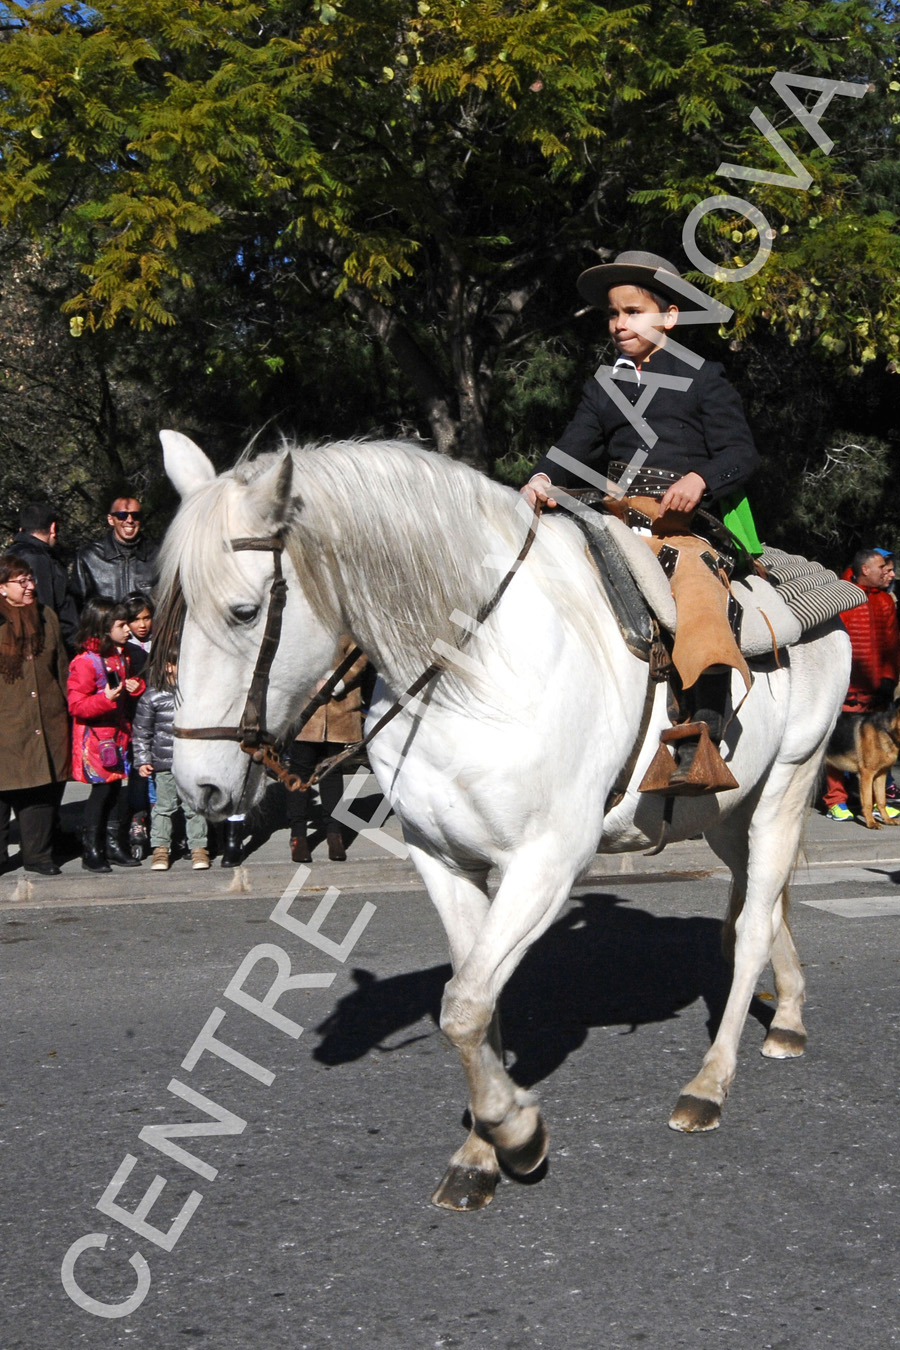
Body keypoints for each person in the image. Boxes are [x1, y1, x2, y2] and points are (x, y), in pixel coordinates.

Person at [521, 249, 760, 793]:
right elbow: (570, 448)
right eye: (613, 314)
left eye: (633, 311)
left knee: (696, 584)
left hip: (686, 529)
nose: (620, 323)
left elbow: (741, 454)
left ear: (670, 317)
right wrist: (540, 480)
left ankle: (701, 731)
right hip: (614, 516)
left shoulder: (706, 379)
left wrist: (700, 480)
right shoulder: (604, 384)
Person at [0, 553, 71, 875]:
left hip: (47, 721)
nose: (30, 586)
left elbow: (61, 668)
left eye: (31, 579)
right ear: (2, 588)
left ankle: (38, 856)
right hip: (6, 724)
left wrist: (69, 708)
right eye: (21, 581)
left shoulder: (47, 616)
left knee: (41, 790)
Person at [67, 597, 146, 870]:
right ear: (103, 627)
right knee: (101, 792)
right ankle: (92, 849)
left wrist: (135, 686)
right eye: (122, 624)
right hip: (97, 739)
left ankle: (113, 845)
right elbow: (76, 705)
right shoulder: (85, 662)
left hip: (118, 734)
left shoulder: (120, 655)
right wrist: (105, 698)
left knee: (114, 790)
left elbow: (127, 687)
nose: (128, 629)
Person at [823, 547, 900, 822]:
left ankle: (880, 801)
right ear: (865, 570)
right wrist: (836, 679)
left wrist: (890, 677)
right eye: (883, 567)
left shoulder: (887, 601)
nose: (889, 573)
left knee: (880, 744)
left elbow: (892, 644)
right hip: (847, 685)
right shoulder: (841, 595)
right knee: (837, 743)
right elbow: (830, 642)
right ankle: (836, 800)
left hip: (877, 687)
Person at [287, 640, 369, 862]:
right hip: (304, 708)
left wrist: (339, 679)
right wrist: (308, 681)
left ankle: (335, 834)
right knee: (299, 774)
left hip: (339, 709)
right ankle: (298, 836)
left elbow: (360, 652)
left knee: (332, 774)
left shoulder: (345, 617)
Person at [132, 654, 210, 871]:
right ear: (166, 666)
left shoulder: (196, 692)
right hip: (164, 762)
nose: (179, 668)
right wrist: (142, 760)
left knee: (195, 806)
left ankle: (198, 847)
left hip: (192, 762)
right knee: (164, 808)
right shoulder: (153, 696)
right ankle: (160, 848)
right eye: (175, 663)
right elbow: (141, 732)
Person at [10, 502, 79, 652]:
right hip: (45, 648)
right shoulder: (36, 558)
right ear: (53, 528)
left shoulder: (13, 555)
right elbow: (45, 608)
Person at [70, 495, 158, 607]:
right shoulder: (89, 557)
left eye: (135, 515)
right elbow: (77, 605)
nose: (130, 520)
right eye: (122, 515)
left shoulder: (157, 556)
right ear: (111, 520)